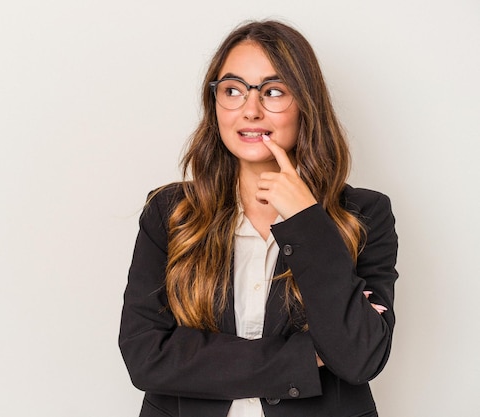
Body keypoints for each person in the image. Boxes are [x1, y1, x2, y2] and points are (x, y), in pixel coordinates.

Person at [119, 19, 398, 417]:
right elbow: (146, 356)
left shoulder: (365, 215)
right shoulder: (170, 212)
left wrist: (306, 221)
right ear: (214, 103)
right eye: (232, 90)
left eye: (273, 92)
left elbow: (358, 357)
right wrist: (307, 358)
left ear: (306, 103)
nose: (250, 110)